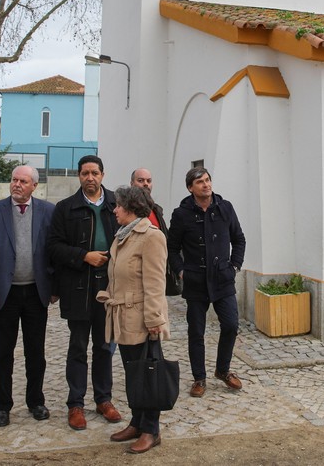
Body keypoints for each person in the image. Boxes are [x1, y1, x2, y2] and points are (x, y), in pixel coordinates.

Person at [0, 165, 56, 428]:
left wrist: (54, 287)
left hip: (35, 293)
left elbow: (54, 252)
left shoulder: (47, 211)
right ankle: (2, 406)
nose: (17, 184)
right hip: (3, 295)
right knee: (2, 353)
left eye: (23, 181)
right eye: (14, 180)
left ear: (34, 186)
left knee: (36, 352)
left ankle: (36, 401)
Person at [47, 155, 122, 430]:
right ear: (78, 176)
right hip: (78, 287)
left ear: (102, 174)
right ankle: (75, 404)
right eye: (84, 173)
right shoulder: (65, 208)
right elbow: (53, 246)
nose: (90, 178)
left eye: (94, 173)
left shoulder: (117, 203)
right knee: (78, 347)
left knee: (105, 347)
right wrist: (83, 256)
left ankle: (104, 399)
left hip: (109, 288)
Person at [97, 185, 171, 454]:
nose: (114, 209)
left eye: (118, 205)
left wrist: (154, 320)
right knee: (133, 373)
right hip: (123, 316)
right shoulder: (122, 235)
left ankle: (152, 430)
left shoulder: (152, 237)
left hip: (142, 319)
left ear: (130, 208)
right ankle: (137, 421)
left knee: (147, 374)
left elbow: (155, 282)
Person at [167, 167, 246, 398]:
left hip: (223, 278)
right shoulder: (181, 214)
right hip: (195, 281)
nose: (206, 185)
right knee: (196, 332)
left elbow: (238, 239)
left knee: (231, 325)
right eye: (200, 182)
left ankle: (222, 370)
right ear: (190, 188)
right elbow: (172, 248)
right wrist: (181, 271)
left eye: (208, 180)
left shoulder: (225, 208)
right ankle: (199, 378)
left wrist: (234, 266)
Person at [131, 167, 180, 296]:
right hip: (135, 274)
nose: (145, 184)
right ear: (132, 184)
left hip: (157, 271)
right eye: (140, 180)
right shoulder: (126, 210)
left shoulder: (156, 210)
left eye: (149, 180)